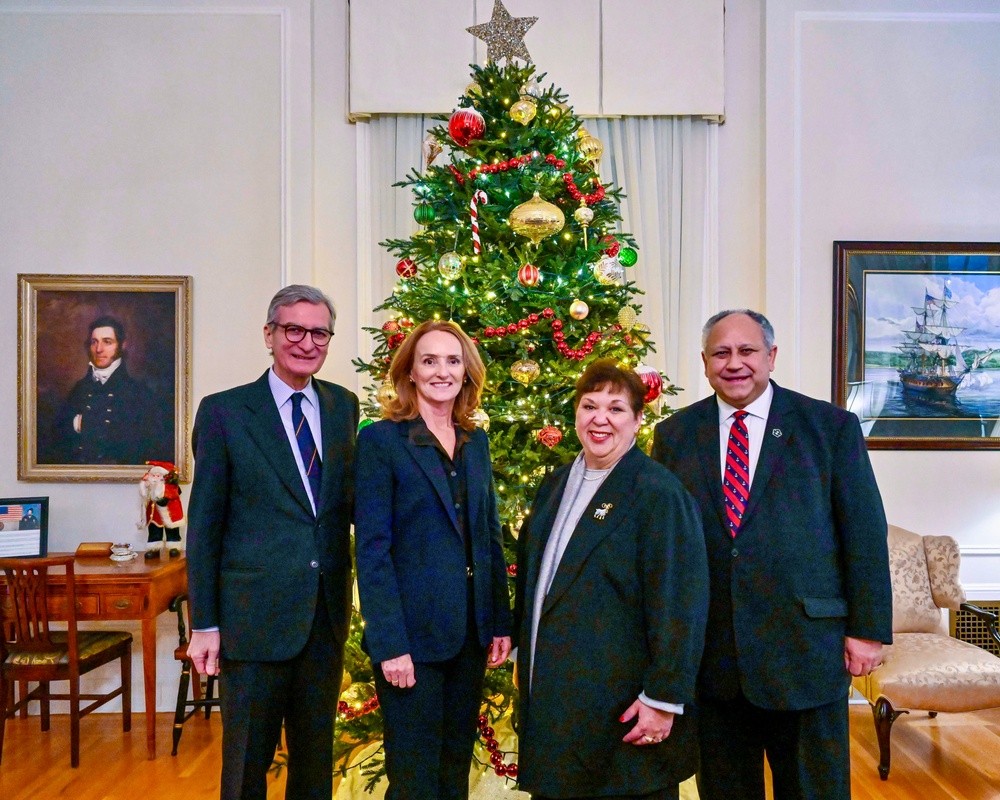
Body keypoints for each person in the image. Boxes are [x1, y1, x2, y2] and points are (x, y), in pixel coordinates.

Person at [650, 309, 892, 800]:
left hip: (805, 652)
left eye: (746, 351)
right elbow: (666, 545)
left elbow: (864, 534)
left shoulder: (830, 428)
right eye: (721, 353)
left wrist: (867, 630)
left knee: (813, 789)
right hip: (715, 658)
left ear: (771, 357)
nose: (734, 363)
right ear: (704, 362)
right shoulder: (675, 435)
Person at [185, 285, 359, 800]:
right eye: (294, 330)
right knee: (245, 768)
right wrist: (206, 624)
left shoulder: (343, 406)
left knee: (315, 764)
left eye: (319, 332)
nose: (307, 342)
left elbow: (345, 504)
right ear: (269, 334)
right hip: (252, 622)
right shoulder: (225, 412)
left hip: (323, 618)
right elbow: (205, 526)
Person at [513, 359, 709, 800]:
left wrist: (663, 699)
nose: (600, 418)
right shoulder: (556, 483)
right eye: (589, 405)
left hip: (625, 713)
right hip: (557, 710)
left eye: (616, 408)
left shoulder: (659, 493)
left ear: (639, 420)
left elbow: (683, 603)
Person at [354, 320, 512, 800]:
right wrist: (389, 644)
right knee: (415, 778)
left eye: (452, 360)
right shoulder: (383, 441)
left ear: (466, 372)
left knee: (452, 769)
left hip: (469, 634)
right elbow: (373, 550)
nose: (442, 371)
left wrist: (500, 622)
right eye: (429, 360)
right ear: (411, 373)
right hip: (412, 641)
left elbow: (488, 537)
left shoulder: (475, 442)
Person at [49, 315, 167, 464]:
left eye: (107, 342)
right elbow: (56, 436)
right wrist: (73, 425)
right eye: (94, 342)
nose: (99, 349)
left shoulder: (139, 393)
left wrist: (89, 423)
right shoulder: (79, 388)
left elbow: (148, 444)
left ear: (122, 345)